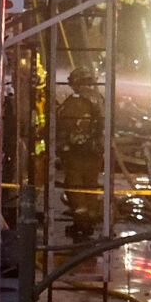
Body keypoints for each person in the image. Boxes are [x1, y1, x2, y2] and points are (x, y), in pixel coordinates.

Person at [57, 64, 104, 238]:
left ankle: (82, 224)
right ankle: (89, 219)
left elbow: (62, 122)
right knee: (91, 186)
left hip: (76, 153)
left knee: (75, 188)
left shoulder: (75, 102)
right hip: (95, 154)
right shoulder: (99, 100)